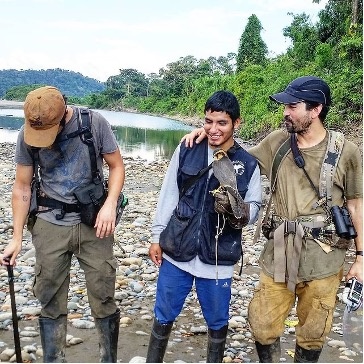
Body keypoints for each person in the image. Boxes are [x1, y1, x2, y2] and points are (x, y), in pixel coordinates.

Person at [182, 76, 363, 362]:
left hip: (325, 257)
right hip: (280, 249)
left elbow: (355, 205)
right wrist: (208, 134)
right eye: (285, 106)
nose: (285, 112)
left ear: (315, 110)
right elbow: (237, 159)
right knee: (263, 323)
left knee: (314, 330)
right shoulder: (277, 142)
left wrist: (361, 258)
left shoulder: (346, 152)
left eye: (292, 106)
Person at [0, 86, 125, 362]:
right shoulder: (27, 134)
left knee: (103, 293)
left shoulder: (93, 123)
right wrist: (17, 237)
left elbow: (116, 166)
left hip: (93, 223)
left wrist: (110, 204)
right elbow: (22, 186)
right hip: (48, 222)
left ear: (63, 112)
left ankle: (108, 359)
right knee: (50, 298)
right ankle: (54, 359)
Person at [146, 90, 262, 363]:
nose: (213, 129)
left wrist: (240, 210)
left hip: (218, 258)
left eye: (221, 123)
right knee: (163, 313)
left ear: (237, 123)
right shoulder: (187, 149)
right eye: (208, 121)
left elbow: (255, 207)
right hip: (177, 250)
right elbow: (169, 195)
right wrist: (156, 237)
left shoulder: (247, 163)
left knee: (218, 320)